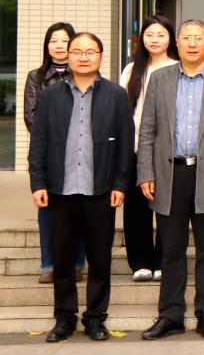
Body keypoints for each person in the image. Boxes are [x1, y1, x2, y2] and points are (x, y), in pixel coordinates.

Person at [137, 20, 204, 340]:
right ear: (178, 43)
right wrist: (146, 172)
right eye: (186, 38)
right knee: (171, 249)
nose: (192, 43)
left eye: (198, 38)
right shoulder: (160, 79)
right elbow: (148, 130)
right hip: (170, 174)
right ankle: (170, 315)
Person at [28, 32, 133, 343]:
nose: (83, 57)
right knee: (62, 259)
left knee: (100, 258)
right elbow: (39, 142)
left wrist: (121, 183)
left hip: (101, 190)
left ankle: (95, 319)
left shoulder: (116, 95)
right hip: (60, 190)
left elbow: (125, 144)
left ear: (100, 56)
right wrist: (38, 182)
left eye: (90, 52)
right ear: (68, 56)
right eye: (77, 51)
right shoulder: (51, 95)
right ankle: (64, 319)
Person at [23, 22, 85, 285]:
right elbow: (31, 117)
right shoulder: (35, 77)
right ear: (47, 46)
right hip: (48, 154)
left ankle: (78, 263)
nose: (59, 45)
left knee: (79, 209)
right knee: (48, 211)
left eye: (64, 40)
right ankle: (48, 264)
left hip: (81, 154)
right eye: (53, 40)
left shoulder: (83, 73)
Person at [119, 15, 179, 283]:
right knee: (136, 209)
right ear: (141, 38)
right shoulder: (131, 70)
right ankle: (140, 262)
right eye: (149, 35)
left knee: (168, 208)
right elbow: (123, 112)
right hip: (135, 149)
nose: (155, 40)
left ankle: (163, 260)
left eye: (161, 34)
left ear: (170, 39)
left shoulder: (178, 67)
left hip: (169, 151)